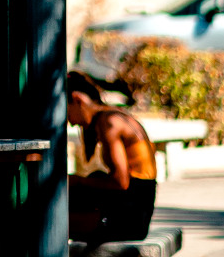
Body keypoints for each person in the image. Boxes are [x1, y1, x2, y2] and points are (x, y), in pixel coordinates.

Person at [67, 71, 158, 244]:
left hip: (131, 216)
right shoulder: (116, 115)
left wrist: (77, 181)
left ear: (77, 99)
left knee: (49, 222)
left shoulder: (109, 122)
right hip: (136, 207)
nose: (71, 122)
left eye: (67, 112)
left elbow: (120, 182)